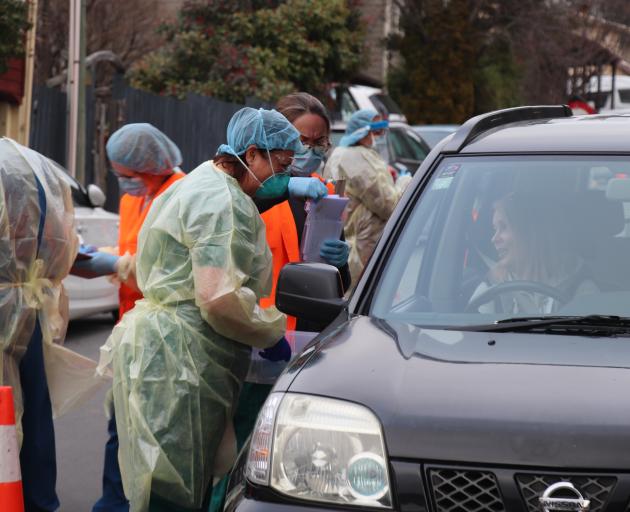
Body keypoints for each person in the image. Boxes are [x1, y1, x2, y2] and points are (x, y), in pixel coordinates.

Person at [96, 107, 301, 512]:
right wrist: (269, 333)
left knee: (163, 479)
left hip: (168, 350)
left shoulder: (201, 182)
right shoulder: (220, 202)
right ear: (255, 153)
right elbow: (218, 297)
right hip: (182, 360)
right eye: (282, 164)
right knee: (175, 487)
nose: (285, 176)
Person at [208, 93, 352, 512]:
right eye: (299, 144)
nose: (307, 154)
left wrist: (340, 265)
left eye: (318, 143)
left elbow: (333, 281)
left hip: (303, 345)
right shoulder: (245, 190)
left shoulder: (321, 196)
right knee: (234, 455)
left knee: (291, 461)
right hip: (251, 341)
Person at [74, 124, 186, 512]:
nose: (122, 182)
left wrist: (117, 264)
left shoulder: (180, 196)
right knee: (121, 424)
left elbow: (168, 268)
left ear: (150, 165)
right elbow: (131, 248)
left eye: (127, 174)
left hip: (165, 333)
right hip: (131, 325)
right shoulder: (133, 199)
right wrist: (103, 255)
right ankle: (114, 501)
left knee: (153, 429)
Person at [0, 137, 81, 511]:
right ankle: (38, 501)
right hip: (29, 310)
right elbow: (64, 245)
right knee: (31, 415)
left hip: (13, 309)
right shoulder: (35, 166)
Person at [469, 193, 598, 314]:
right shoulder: (491, 288)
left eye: (503, 227)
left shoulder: (579, 290)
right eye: (495, 229)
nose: (494, 239)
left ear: (530, 234)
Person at [324, 109, 411, 285]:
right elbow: (389, 206)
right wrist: (405, 182)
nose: (379, 135)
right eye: (376, 130)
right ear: (362, 131)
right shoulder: (356, 157)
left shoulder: (343, 153)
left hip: (350, 242)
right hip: (361, 248)